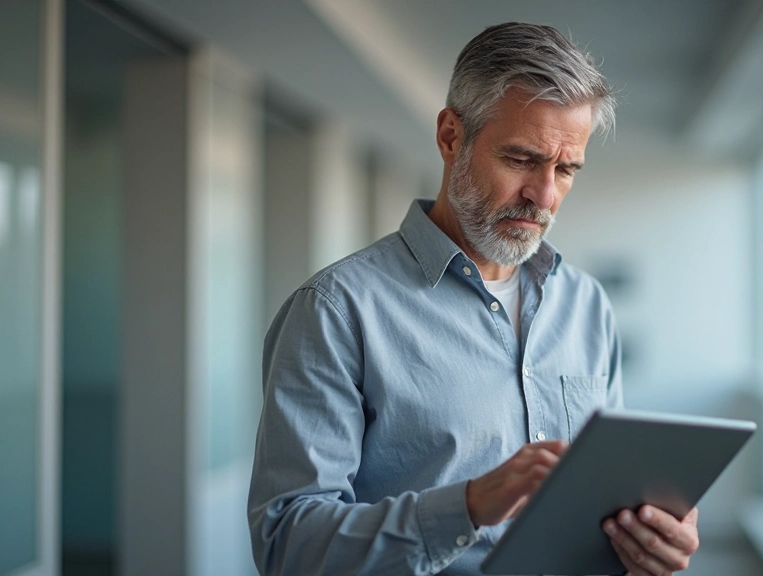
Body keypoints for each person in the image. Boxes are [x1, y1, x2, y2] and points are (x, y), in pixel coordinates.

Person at [248, 21, 699, 576]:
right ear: (449, 136)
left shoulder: (587, 305)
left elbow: (605, 502)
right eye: (521, 159)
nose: (544, 195)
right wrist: (464, 507)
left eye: (566, 169)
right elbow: (287, 545)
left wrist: (649, 536)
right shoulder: (336, 311)